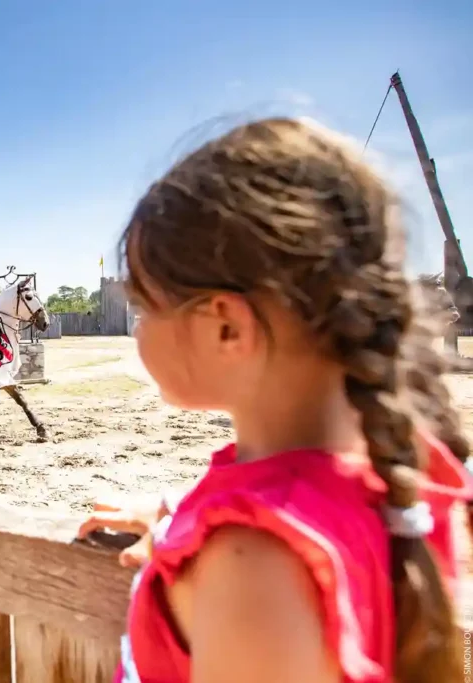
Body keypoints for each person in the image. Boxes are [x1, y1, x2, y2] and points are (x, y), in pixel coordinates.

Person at [77, 118, 473, 683]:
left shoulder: (252, 569)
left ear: (226, 329)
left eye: (143, 309)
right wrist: (174, 518)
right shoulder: (403, 472)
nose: (138, 329)